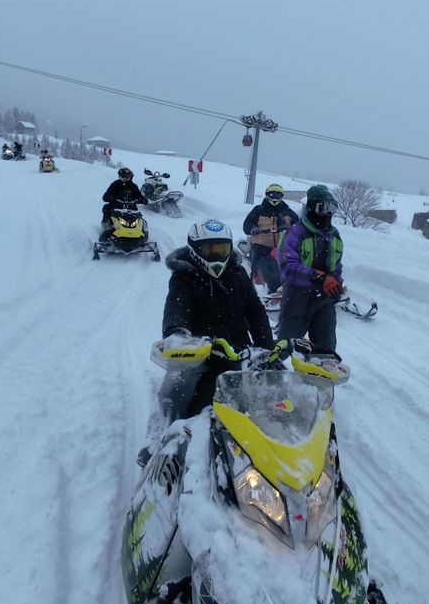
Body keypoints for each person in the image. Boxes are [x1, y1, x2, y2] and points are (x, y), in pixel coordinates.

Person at [137, 219, 276, 465]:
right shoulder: (184, 276)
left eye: (221, 249)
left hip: (236, 349)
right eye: (209, 249)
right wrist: (178, 334)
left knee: (268, 388)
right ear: (194, 249)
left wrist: (266, 347)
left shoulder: (238, 273)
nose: (216, 255)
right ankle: (162, 436)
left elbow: (255, 310)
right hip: (197, 350)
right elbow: (176, 308)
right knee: (177, 389)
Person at [276, 185, 343, 353]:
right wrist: (317, 277)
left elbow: (337, 266)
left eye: (331, 208)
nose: (327, 214)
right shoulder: (295, 233)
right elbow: (287, 267)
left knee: (326, 350)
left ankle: (320, 377)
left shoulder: (334, 235)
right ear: (311, 207)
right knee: (285, 347)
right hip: (297, 298)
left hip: (323, 301)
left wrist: (337, 285)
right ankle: (274, 375)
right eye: (323, 208)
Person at [243, 184, 298, 294]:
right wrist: (253, 228)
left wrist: (289, 228)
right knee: (269, 266)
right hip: (261, 245)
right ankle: (271, 291)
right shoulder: (259, 210)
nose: (274, 197)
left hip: (282, 247)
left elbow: (299, 225)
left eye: (277, 195)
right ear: (267, 195)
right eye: (272, 194)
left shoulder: (287, 212)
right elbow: (247, 224)